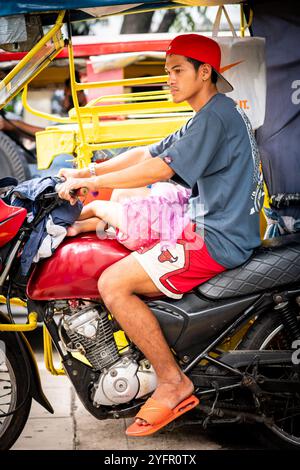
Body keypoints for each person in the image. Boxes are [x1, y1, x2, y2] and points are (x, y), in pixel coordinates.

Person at [57, 34, 264, 436]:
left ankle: (171, 380)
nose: (168, 78)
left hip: (217, 238)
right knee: (113, 239)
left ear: (204, 73)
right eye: (167, 71)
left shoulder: (215, 117)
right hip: (212, 226)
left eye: (177, 70)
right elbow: (145, 154)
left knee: (113, 283)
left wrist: (95, 185)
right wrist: (88, 174)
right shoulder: (209, 113)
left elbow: (158, 171)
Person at [67, 181, 191, 252]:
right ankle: (79, 226)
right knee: (120, 193)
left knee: (96, 206)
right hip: (151, 227)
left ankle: (67, 217)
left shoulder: (171, 196)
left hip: (147, 226)